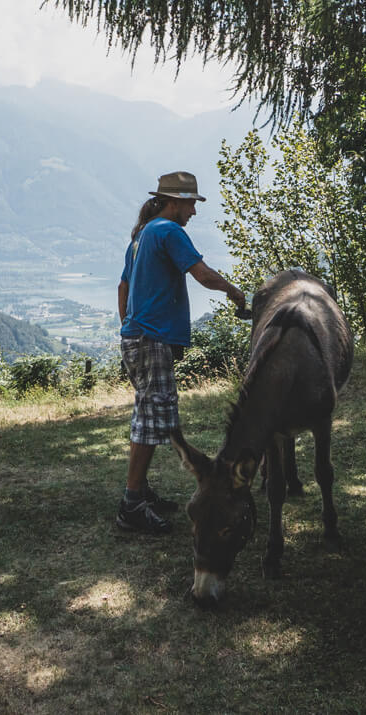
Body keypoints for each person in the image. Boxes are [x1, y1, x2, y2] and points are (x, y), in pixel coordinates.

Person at [115, 170, 249, 534]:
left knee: (151, 413)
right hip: (151, 339)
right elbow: (202, 275)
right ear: (174, 202)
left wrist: (128, 326)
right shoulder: (170, 232)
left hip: (139, 337)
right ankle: (132, 505)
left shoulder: (142, 236)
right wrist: (236, 294)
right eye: (190, 203)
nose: (193, 210)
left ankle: (140, 491)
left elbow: (123, 286)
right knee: (151, 418)